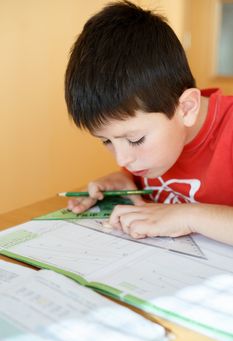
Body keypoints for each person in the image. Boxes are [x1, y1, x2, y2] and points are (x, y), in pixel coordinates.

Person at [64, 1, 233, 244]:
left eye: (135, 139)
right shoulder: (147, 147)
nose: (122, 159)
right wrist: (124, 182)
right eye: (106, 141)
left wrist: (190, 216)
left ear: (186, 108)